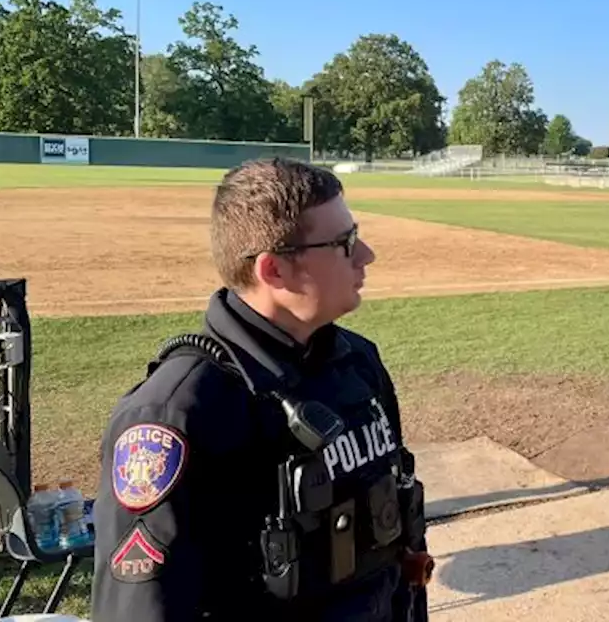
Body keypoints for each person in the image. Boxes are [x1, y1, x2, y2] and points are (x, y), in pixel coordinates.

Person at [90, 157, 430, 621]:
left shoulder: (358, 361)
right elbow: (140, 610)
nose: (366, 254)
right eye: (344, 243)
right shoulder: (177, 412)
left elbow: (396, 536)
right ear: (274, 271)